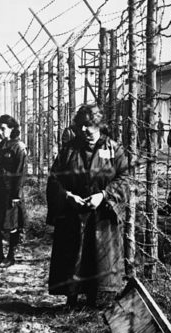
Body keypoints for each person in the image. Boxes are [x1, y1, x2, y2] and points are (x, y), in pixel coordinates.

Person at [47, 104, 130, 308]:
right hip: (73, 212)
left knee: (98, 255)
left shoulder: (114, 149)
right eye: (81, 126)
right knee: (72, 254)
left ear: (99, 125)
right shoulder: (69, 150)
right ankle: (71, 298)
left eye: (88, 125)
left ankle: (95, 299)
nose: (83, 130)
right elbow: (54, 179)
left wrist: (103, 195)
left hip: (102, 213)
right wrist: (67, 196)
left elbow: (125, 179)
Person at [0, 115, 27, 268]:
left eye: (3, 129)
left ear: (12, 129)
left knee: (12, 224)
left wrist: (16, 195)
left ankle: (11, 256)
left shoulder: (19, 147)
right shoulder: (2, 145)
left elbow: (20, 173)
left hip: (11, 192)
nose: (0, 132)